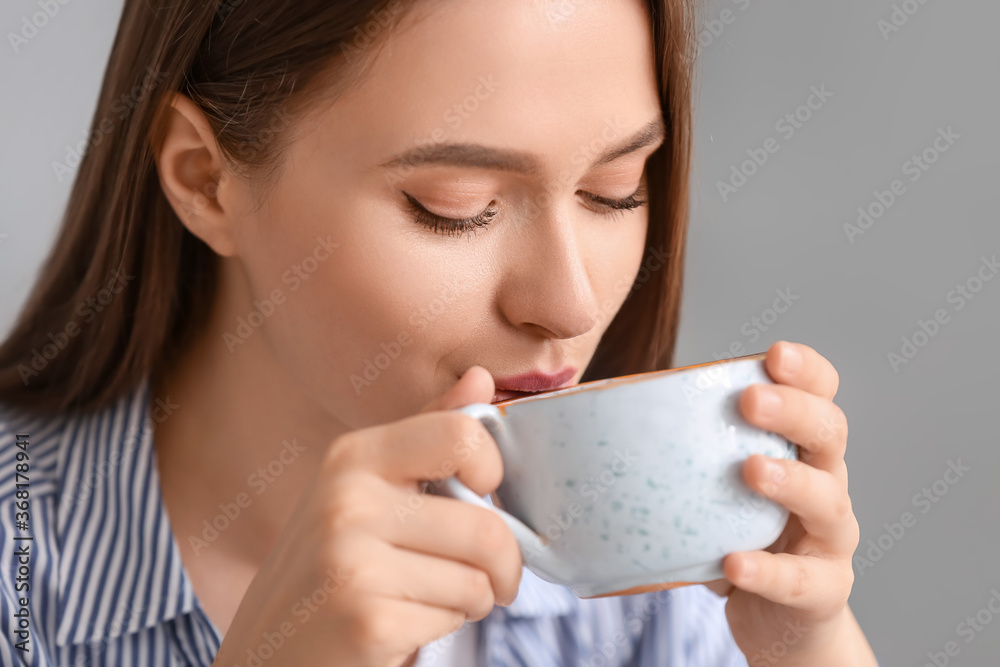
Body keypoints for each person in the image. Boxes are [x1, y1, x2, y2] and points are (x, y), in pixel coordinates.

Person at [0, 0, 879, 664]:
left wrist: (810, 644)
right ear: (203, 179)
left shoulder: (646, 591)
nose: (570, 305)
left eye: (617, 189)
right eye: (455, 208)